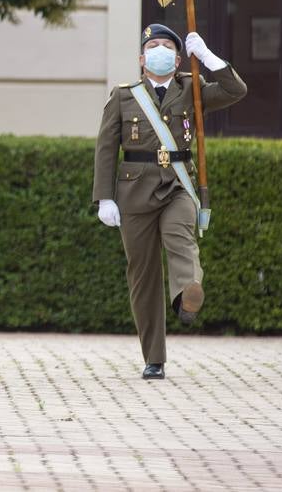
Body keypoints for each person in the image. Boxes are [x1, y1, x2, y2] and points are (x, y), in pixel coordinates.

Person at [92, 23, 247, 380]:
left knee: (181, 236)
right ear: (142, 58)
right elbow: (105, 147)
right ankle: (154, 357)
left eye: (167, 46)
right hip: (134, 190)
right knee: (143, 274)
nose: (160, 51)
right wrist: (104, 198)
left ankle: (187, 293)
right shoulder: (124, 95)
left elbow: (235, 90)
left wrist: (208, 58)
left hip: (178, 184)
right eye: (154, 45)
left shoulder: (192, 89)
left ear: (178, 59)